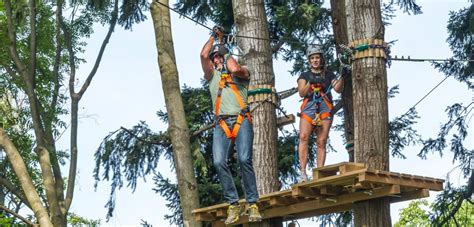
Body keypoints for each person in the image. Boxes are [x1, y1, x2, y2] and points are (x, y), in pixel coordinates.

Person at [200, 26, 262, 224]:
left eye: (220, 57)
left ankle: (252, 203)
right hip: (221, 124)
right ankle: (233, 204)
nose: (217, 59)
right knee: (219, 162)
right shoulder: (211, 77)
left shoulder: (242, 74)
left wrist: (225, 52)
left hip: (241, 119)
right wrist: (213, 37)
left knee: (244, 159)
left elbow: (235, 69)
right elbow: (203, 55)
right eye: (215, 58)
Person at [297, 45, 343, 182]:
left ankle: (319, 172)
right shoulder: (304, 75)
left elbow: (338, 89)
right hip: (309, 107)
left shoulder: (329, 74)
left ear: (321, 59)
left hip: (324, 107)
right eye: (312, 58)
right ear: (309, 60)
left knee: (321, 141)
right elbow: (301, 92)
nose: (315, 60)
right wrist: (311, 81)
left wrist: (342, 75)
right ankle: (303, 173)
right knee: (304, 137)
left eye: (317, 57)